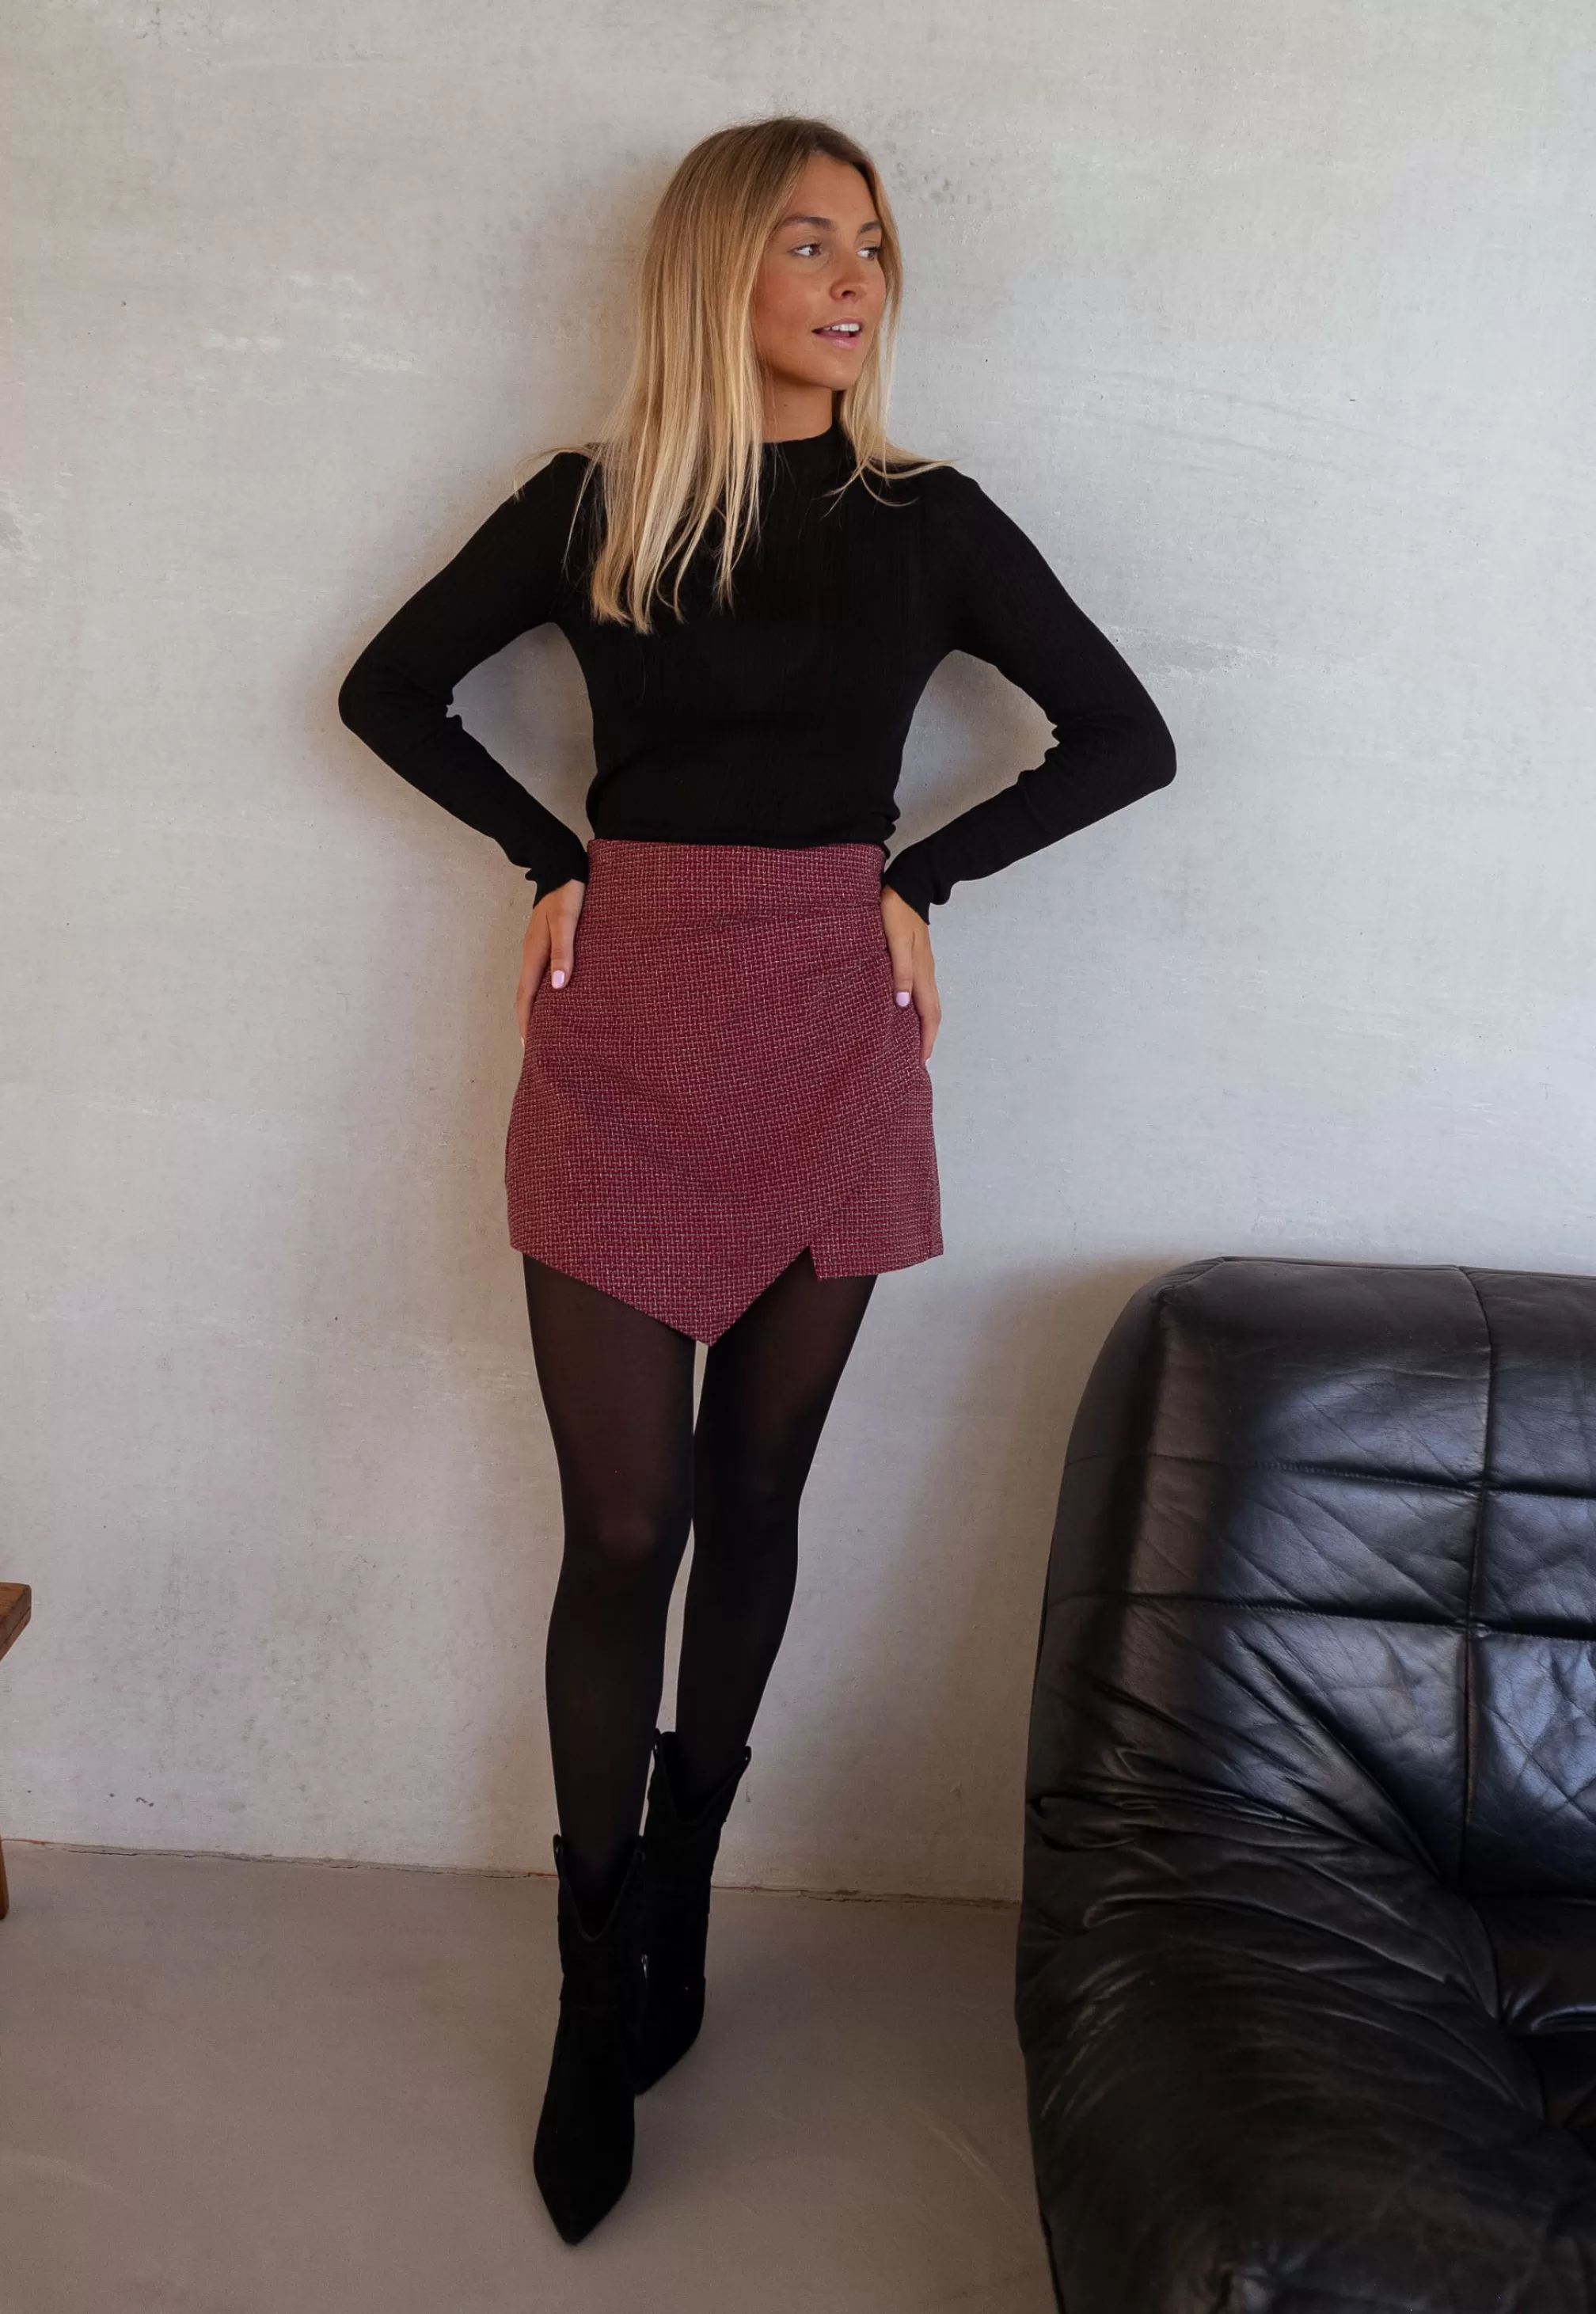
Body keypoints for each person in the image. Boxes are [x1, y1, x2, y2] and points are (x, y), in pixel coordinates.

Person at [336, 112, 1176, 2244]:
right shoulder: (595, 503)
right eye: (810, 241)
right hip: (621, 1031)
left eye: (873, 245)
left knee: (754, 1498)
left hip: (831, 1033)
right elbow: (386, 690)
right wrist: (547, 857)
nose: (857, 278)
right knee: (623, 1522)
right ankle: (589, 1975)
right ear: (717, 267)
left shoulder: (929, 520)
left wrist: (921, 884)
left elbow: (1126, 737)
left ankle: (686, 1888)